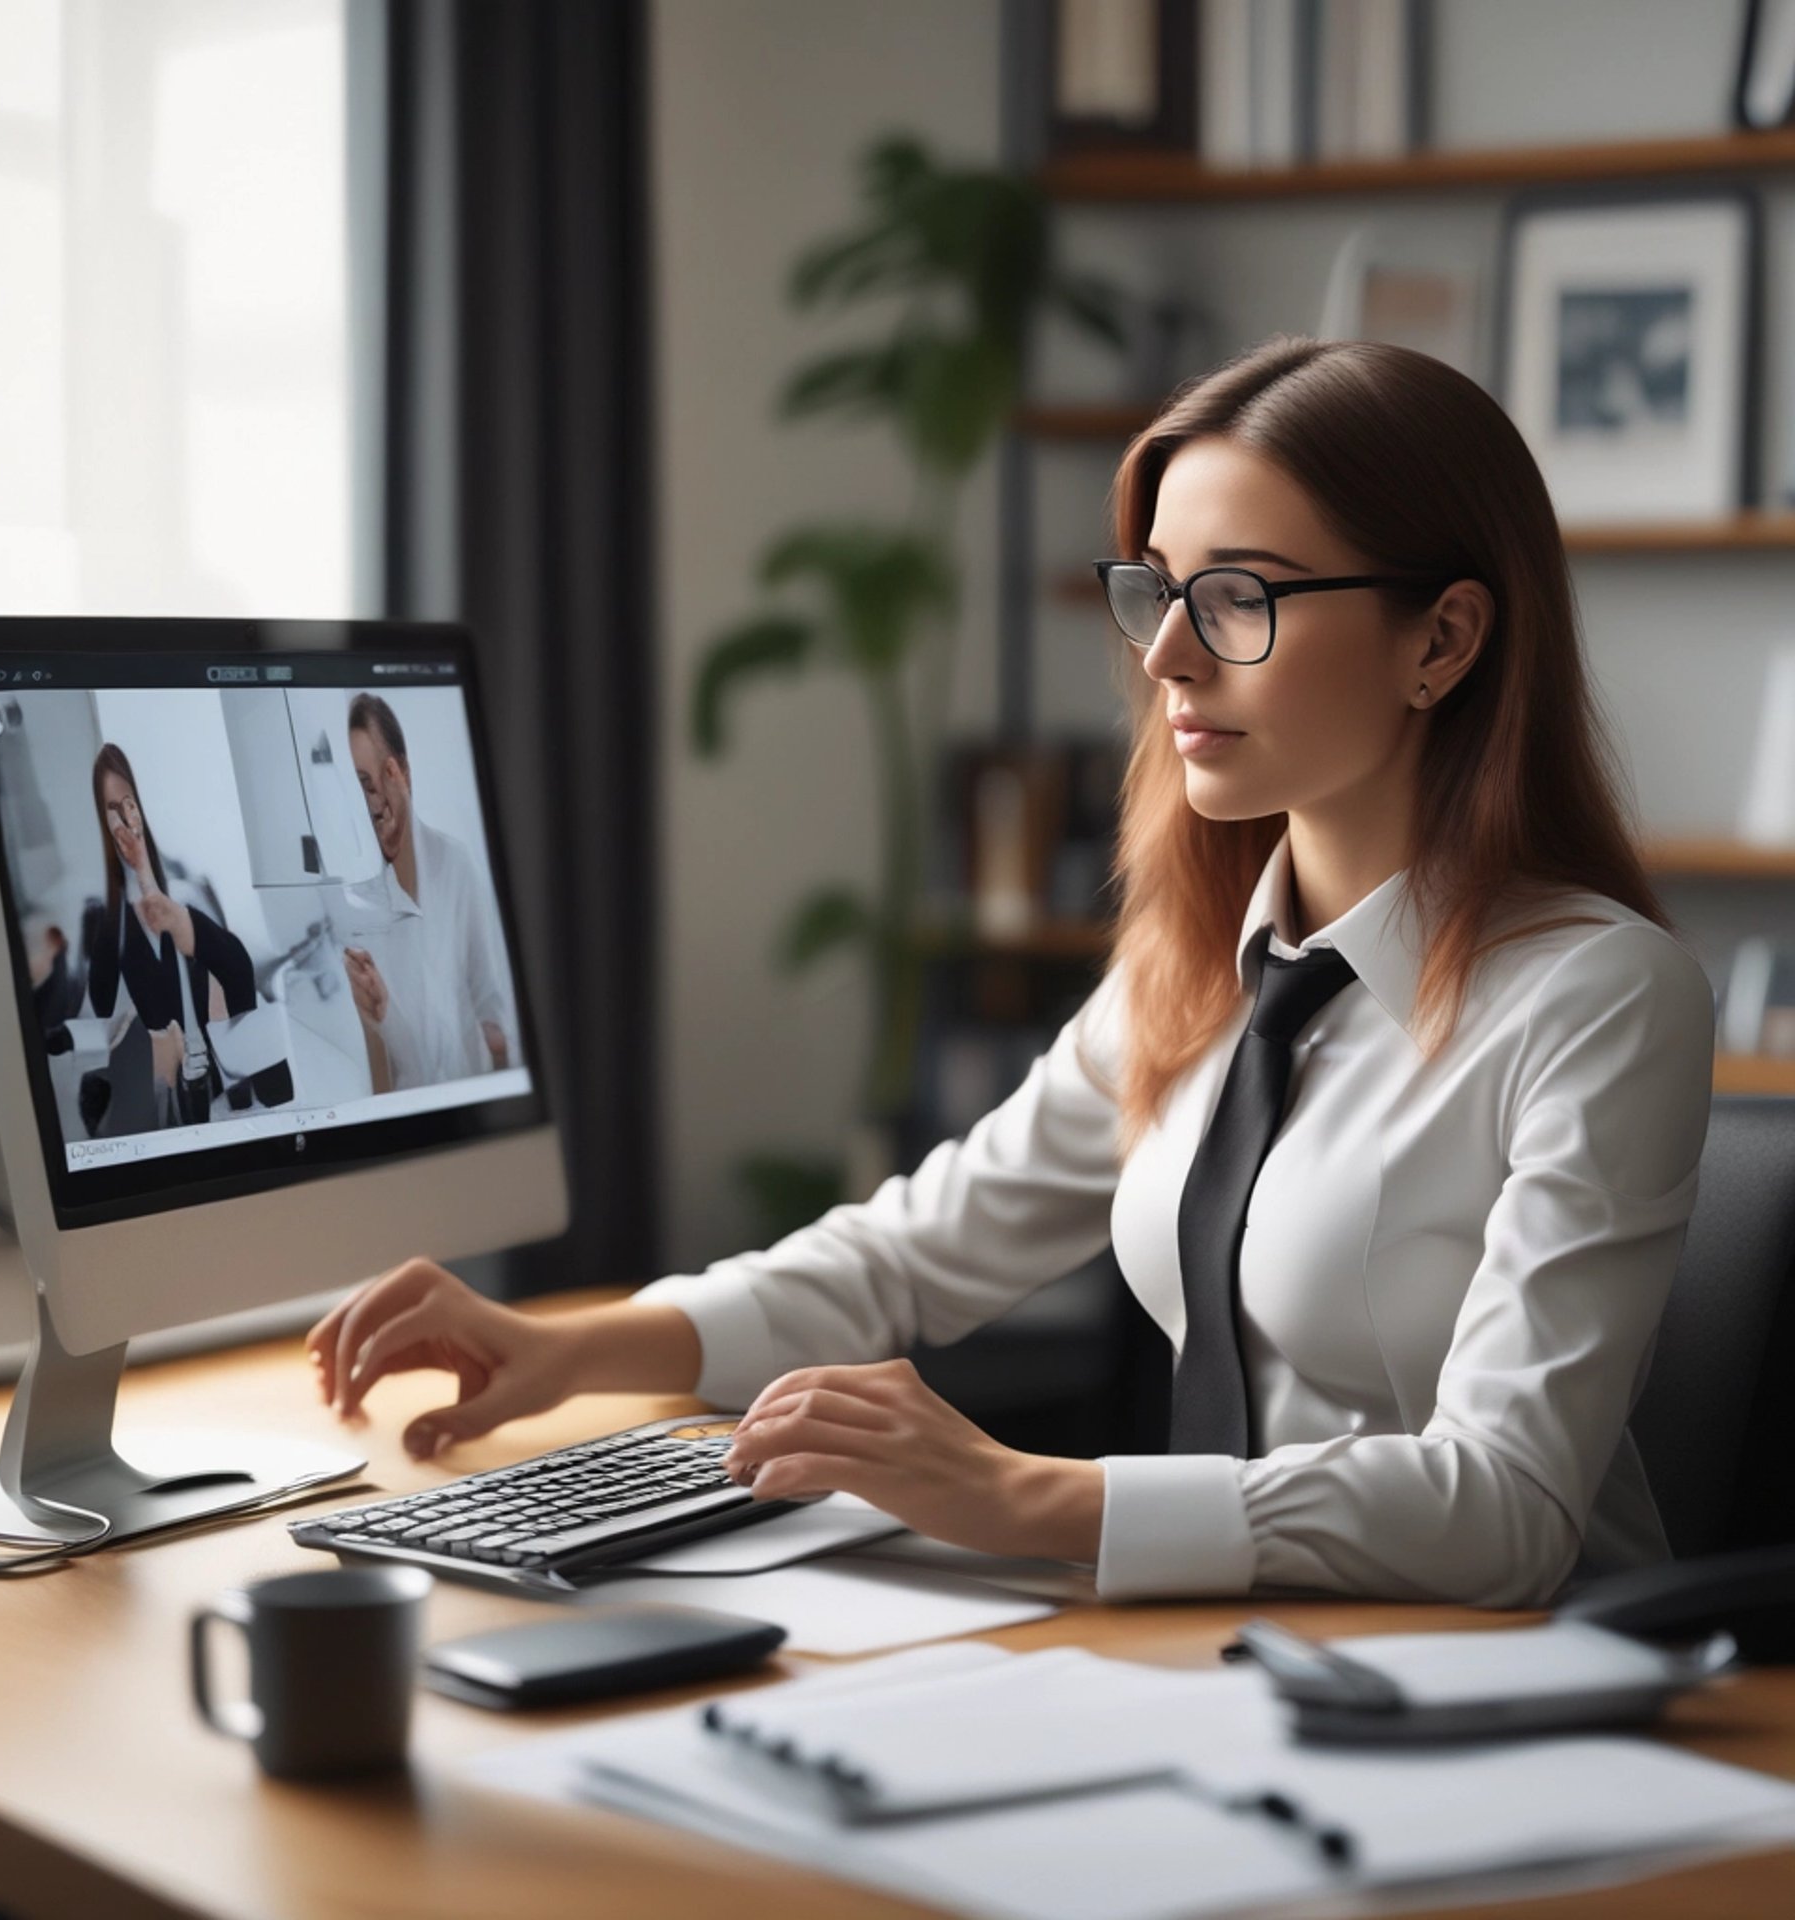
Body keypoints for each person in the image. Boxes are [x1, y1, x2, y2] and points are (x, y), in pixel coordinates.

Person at [306, 337, 1714, 1609]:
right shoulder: (1198, 970)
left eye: (1237, 598)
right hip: (1237, 1651)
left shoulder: (1596, 1001)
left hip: (1520, 1699)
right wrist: (571, 1348)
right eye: (1158, 591)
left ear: (1444, 641)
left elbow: (1509, 1508)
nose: (1165, 653)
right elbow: (915, 1252)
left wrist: (1028, 1497)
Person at [341, 692, 516, 1094]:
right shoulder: (356, 911)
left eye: (380, 778)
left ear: (402, 771)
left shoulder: (456, 863)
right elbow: (382, 1066)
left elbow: (489, 998)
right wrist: (383, 1020)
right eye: (360, 787)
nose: (374, 803)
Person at [86, 742, 258, 1127]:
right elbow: (104, 1019)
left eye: (128, 803)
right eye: (111, 810)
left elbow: (235, 979)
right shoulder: (108, 925)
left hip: (222, 1084)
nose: (124, 818)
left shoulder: (188, 892)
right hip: (167, 1097)